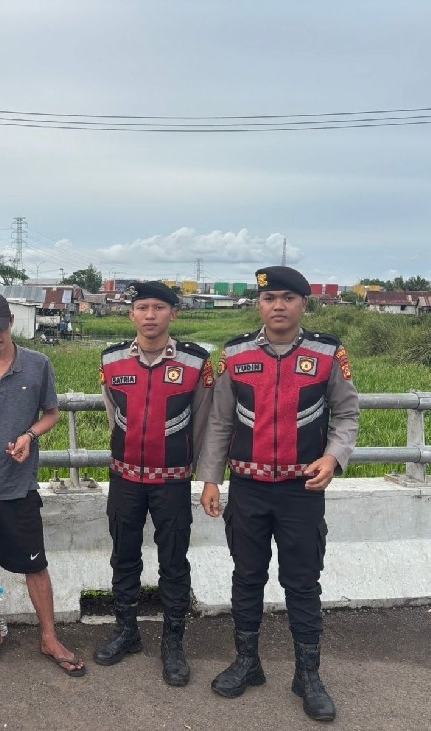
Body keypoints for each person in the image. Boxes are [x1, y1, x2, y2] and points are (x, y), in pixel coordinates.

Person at [196, 266, 360, 723]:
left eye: (288, 298)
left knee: (302, 583)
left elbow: (347, 415)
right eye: (270, 298)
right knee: (247, 577)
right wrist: (211, 479)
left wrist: (333, 457)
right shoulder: (235, 354)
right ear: (259, 304)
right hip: (247, 488)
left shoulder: (327, 354)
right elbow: (220, 421)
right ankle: (247, 663)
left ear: (304, 304)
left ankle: (308, 675)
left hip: (300, 490)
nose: (278, 306)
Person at [0, 292, 86, 677]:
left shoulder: (38, 365)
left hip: (18, 484)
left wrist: (29, 435)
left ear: (10, 323)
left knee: (34, 564)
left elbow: (51, 413)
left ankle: (49, 636)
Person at [95, 281, 214, 686]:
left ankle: (173, 643)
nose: (150, 315)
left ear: (173, 314)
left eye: (159, 307)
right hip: (124, 479)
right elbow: (114, 415)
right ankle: (126, 632)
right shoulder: (111, 359)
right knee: (123, 556)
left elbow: (204, 422)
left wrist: (192, 467)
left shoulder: (196, 362)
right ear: (131, 314)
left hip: (173, 482)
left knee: (174, 562)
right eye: (142, 307)